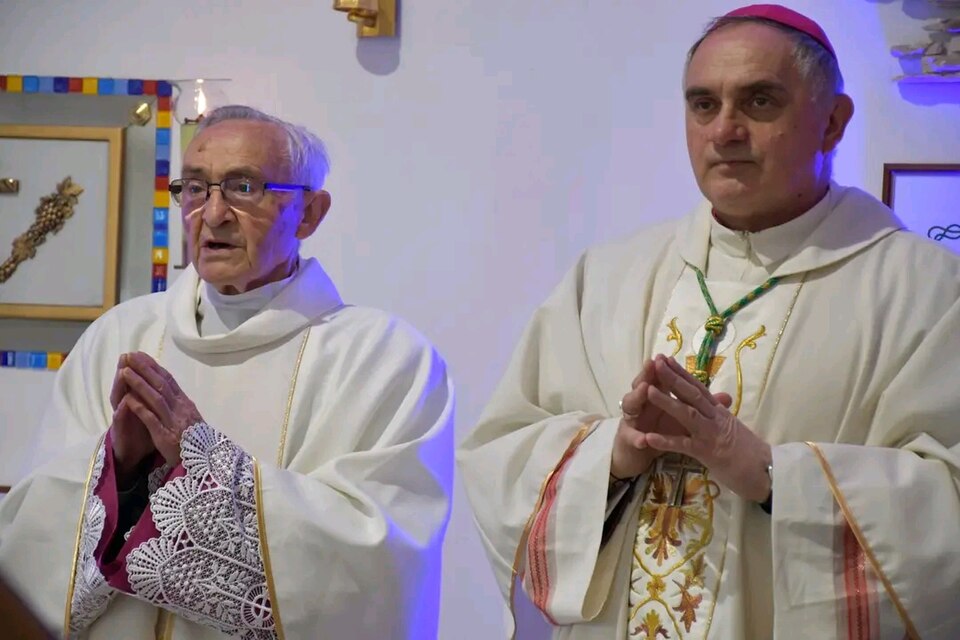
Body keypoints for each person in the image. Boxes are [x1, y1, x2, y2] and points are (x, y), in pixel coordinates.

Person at [458, 5, 960, 639]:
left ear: (833, 122)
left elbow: (948, 507)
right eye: (703, 105)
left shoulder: (927, 291)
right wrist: (613, 455)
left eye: (759, 101)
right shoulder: (607, 278)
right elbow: (502, 454)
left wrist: (774, 478)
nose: (724, 130)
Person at [0, 105, 455, 639]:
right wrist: (119, 472)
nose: (212, 214)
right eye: (195, 188)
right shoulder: (118, 336)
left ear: (309, 213)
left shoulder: (385, 359)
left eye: (243, 187)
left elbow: (381, 561)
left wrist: (205, 463)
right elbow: (33, 532)